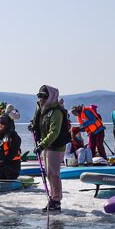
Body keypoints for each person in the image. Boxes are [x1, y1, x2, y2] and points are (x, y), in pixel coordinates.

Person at [30, 85, 71, 213]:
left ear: (51, 97)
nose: (41, 99)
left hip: (56, 146)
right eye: (40, 96)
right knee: (49, 173)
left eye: (44, 96)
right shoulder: (44, 111)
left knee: (54, 174)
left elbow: (54, 132)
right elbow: (41, 126)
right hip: (48, 146)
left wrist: (42, 145)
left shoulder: (56, 112)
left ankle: (56, 200)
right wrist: (33, 127)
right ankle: (53, 199)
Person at [0, 114, 23, 179]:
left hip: (12, 166)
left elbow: (12, 154)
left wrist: (1, 163)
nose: (0, 125)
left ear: (7, 124)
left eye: (2, 123)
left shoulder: (13, 136)